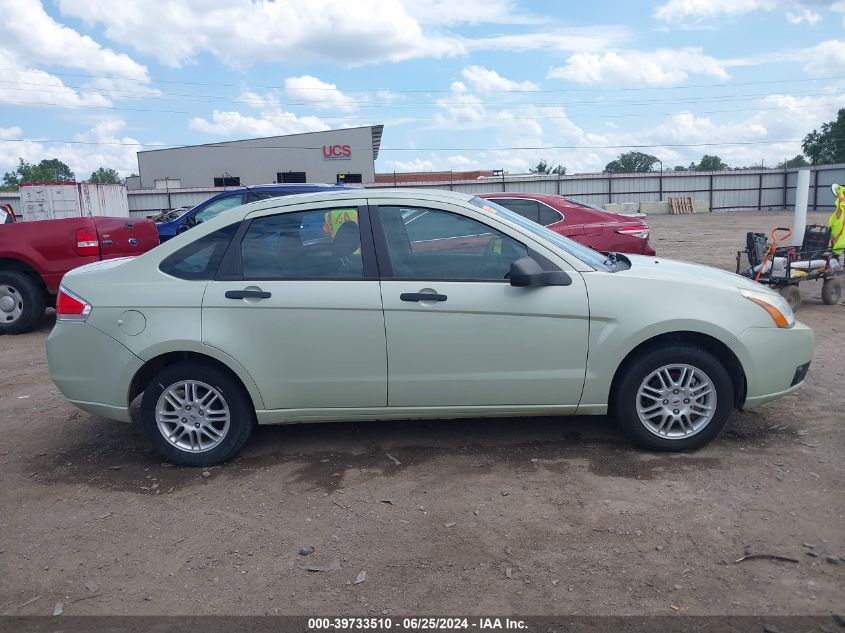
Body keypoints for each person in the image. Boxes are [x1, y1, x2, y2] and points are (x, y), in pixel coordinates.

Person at [830, 183, 845, 265]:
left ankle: (836, 264)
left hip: (839, 240)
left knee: (836, 252)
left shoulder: (841, 212)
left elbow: (840, 209)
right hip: (839, 238)